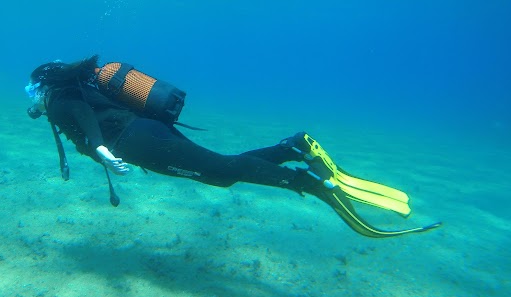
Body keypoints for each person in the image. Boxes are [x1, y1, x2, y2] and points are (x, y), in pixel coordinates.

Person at [25, 56, 441, 238]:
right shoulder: (80, 87)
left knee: (223, 172)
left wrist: (101, 152)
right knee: (222, 170)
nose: (32, 99)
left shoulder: (61, 98)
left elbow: (83, 121)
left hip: (137, 143)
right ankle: (292, 148)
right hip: (147, 133)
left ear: (43, 86)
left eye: (31, 91)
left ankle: (310, 182)